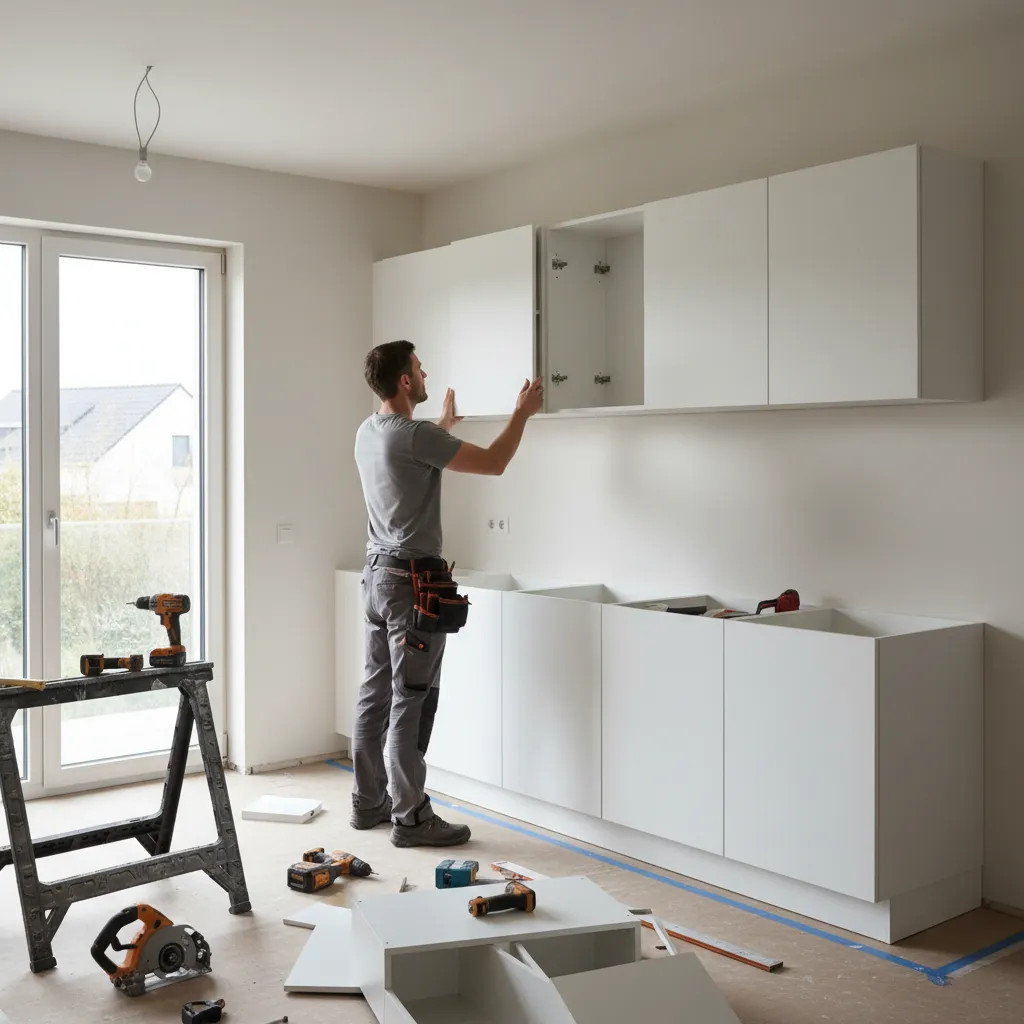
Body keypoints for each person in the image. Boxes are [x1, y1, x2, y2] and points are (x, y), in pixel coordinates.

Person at [351, 339, 544, 847]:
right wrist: (521, 413)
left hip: (376, 578)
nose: (425, 372)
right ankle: (411, 817)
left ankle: (368, 802)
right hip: (410, 584)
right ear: (405, 381)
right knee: (411, 699)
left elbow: (411, 455)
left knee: (375, 693)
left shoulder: (368, 431)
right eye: (419, 367)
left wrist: (443, 426)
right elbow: (495, 462)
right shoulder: (417, 436)